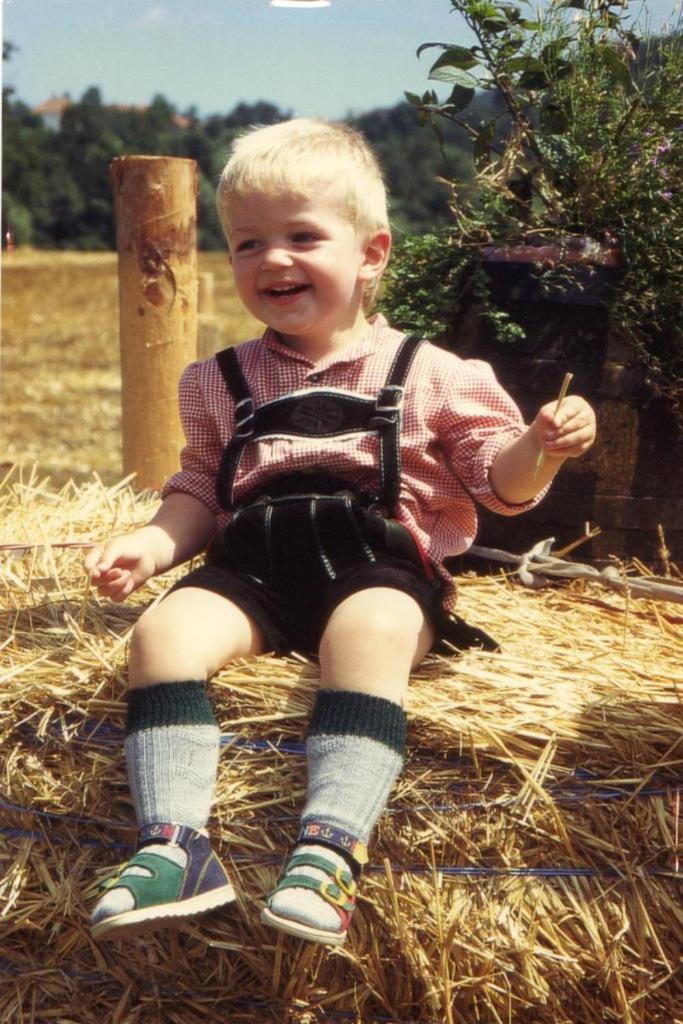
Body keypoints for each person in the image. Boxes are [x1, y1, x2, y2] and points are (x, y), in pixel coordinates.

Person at [85, 118, 596, 946]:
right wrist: (153, 544)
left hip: (376, 569)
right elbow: (199, 493)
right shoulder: (217, 380)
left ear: (371, 253)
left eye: (301, 236)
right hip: (253, 569)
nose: (272, 260)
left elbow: (499, 486)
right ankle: (173, 845)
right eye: (247, 243)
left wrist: (538, 447)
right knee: (163, 635)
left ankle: (328, 848)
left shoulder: (431, 373)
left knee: (371, 631)